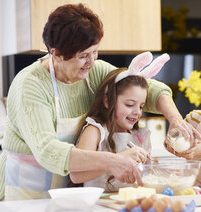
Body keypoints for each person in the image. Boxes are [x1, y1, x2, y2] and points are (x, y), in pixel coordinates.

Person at [0, 3, 198, 211]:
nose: (91, 62)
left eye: (95, 52)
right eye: (83, 56)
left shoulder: (94, 72)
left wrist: (175, 119)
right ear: (56, 53)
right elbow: (48, 151)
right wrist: (113, 161)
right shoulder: (30, 85)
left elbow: (145, 86)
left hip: (68, 192)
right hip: (25, 191)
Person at [71, 52, 170, 191]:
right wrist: (118, 160)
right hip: (99, 205)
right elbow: (76, 175)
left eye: (141, 106)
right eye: (129, 104)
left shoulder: (139, 136)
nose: (137, 112)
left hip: (129, 204)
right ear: (107, 101)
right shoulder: (95, 131)